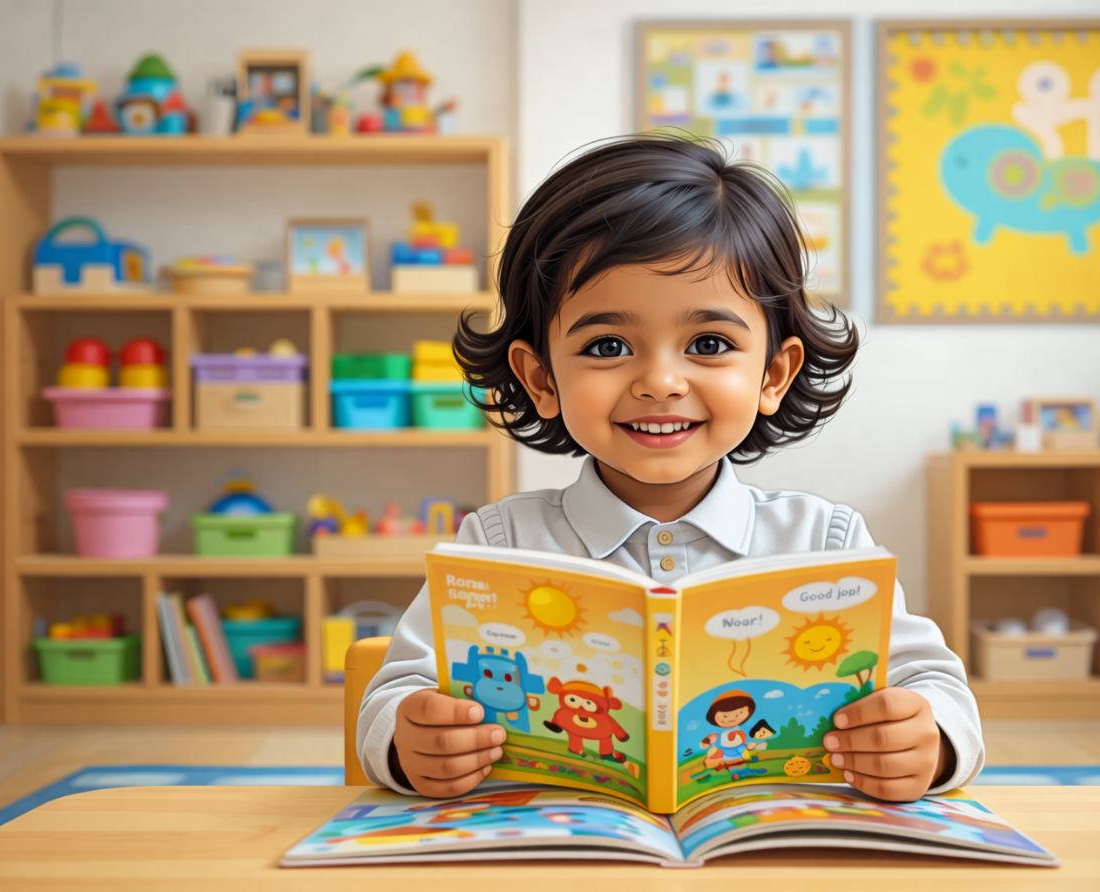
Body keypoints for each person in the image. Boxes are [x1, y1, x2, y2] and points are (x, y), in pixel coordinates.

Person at [357, 133, 984, 803]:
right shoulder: (495, 548)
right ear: (541, 379)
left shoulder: (827, 545)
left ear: (774, 374)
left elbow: (936, 686)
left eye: (708, 344)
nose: (660, 381)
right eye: (608, 345)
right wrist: (408, 740)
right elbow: (395, 692)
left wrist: (930, 741)